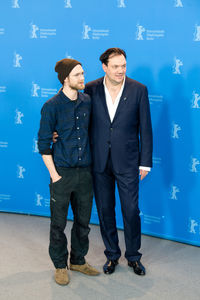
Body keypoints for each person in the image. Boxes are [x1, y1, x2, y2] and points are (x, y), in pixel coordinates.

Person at [84, 48, 153, 275]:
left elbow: (146, 128)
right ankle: (112, 255)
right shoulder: (91, 88)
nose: (120, 70)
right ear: (104, 67)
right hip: (99, 162)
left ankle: (133, 256)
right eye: (115, 66)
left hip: (128, 162)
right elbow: (78, 118)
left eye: (123, 65)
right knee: (105, 210)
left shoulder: (138, 90)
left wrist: (145, 163)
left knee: (131, 210)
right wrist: (56, 132)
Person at [37, 58, 100, 286]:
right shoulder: (51, 106)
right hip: (62, 173)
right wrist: (55, 175)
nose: (83, 78)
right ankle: (60, 265)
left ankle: (78, 260)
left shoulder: (88, 102)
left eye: (83, 73)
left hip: (85, 173)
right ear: (65, 79)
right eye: (77, 75)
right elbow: (43, 144)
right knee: (58, 224)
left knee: (83, 222)